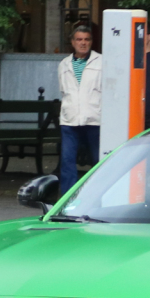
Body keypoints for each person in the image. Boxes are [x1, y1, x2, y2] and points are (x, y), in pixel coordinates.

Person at [57, 24, 102, 193]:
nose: (83, 43)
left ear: (91, 42)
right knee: (67, 160)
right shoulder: (64, 64)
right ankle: (67, 198)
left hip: (95, 118)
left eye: (86, 39)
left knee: (99, 160)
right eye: (79, 39)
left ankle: (98, 195)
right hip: (70, 119)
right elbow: (64, 90)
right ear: (72, 42)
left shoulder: (102, 62)